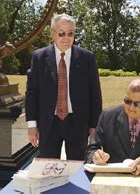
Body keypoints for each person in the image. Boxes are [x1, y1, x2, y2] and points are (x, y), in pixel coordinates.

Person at [25, 13, 102, 160]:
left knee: (77, 168)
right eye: (61, 34)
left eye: (70, 33)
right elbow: (32, 93)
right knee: (48, 168)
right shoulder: (39, 57)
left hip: (78, 122)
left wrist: (94, 126)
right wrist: (32, 125)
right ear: (52, 34)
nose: (66, 38)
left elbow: (95, 93)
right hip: (48, 123)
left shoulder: (87, 57)